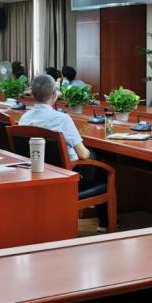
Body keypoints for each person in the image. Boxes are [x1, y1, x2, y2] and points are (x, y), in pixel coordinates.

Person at [18, 74, 110, 230]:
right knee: (101, 164)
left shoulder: (24, 118)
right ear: (54, 95)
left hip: (41, 172)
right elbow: (83, 155)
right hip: (67, 173)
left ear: (32, 94)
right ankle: (105, 223)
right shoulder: (62, 119)